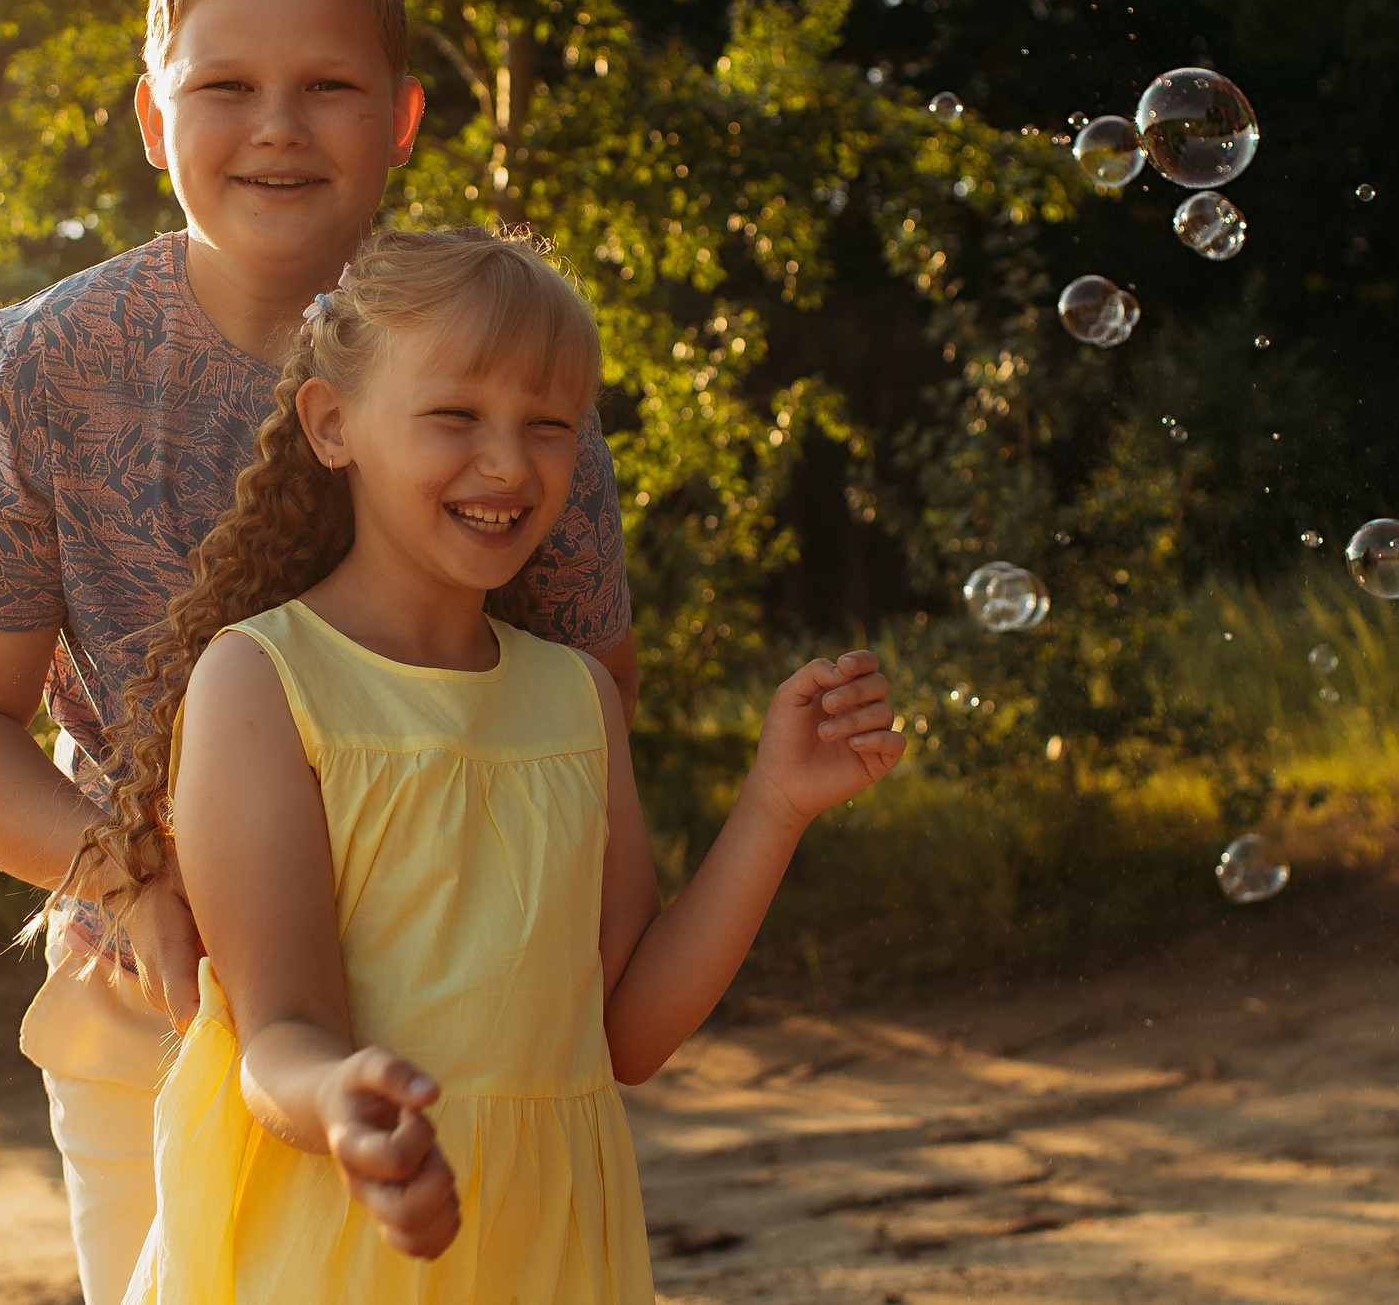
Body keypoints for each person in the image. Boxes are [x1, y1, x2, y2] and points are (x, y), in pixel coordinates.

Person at [0, 0, 638, 1305]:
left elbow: (585, 710)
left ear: (400, 119)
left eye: (327, 86)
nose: (277, 127)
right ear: (153, 119)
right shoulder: (42, 368)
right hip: (159, 1013)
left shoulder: (505, 362)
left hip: (463, 1025)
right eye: (225, 85)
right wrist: (126, 872)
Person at [56, 228, 902, 1303]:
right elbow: (278, 1036)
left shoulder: (576, 697)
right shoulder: (263, 682)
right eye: (455, 416)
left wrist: (774, 806)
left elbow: (630, 1030)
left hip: (547, 1253)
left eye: (548, 427)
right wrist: (344, 1100)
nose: (507, 463)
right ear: (332, 423)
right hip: (333, 1251)